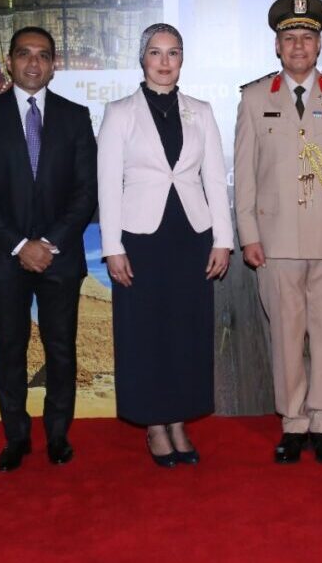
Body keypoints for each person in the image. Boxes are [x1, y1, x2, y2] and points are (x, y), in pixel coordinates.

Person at [234, 0, 322, 464]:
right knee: (286, 337)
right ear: (277, 46)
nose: (298, 46)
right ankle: (293, 422)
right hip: (276, 243)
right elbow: (246, 173)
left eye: (307, 38)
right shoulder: (255, 97)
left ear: (319, 45)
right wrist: (248, 234)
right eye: (289, 38)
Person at [0, 26, 98, 472]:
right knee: (9, 349)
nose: (33, 62)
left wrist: (48, 243)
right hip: (4, 256)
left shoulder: (76, 117)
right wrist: (21, 245)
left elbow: (85, 192)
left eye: (43, 55)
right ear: (9, 60)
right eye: (24, 54)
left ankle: (58, 435)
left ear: (54, 64)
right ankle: (16, 437)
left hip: (60, 257)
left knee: (61, 349)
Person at [97, 23, 232, 468]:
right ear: (142, 58)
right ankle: (155, 422)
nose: (164, 62)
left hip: (192, 235)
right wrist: (112, 246)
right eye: (155, 52)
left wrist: (223, 239)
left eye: (173, 53)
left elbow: (214, 178)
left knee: (186, 329)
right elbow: (108, 184)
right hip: (140, 237)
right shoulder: (119, 112)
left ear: (181, 59)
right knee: (145, 330)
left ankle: (179, 419)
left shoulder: (201, 110)